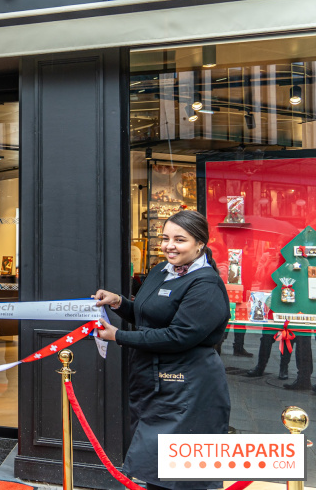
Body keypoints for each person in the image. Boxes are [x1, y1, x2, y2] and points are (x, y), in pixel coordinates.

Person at [93, 210, 231, 490]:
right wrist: (119, 302)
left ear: (200, 243)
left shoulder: (206, 284)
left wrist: (118, 336)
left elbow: (179, 335)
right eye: (165, 238)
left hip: (188, 387)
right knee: (155, 469)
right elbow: (150, 316)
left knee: (180, 476)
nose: (169, 245)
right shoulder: (160, 271)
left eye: (179, 239)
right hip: (155, 381)